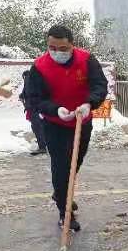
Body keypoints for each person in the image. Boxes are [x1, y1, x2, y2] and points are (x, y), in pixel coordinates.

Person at [27, 24, 108, 231]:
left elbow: (100, 85)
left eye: (62, 48)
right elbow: (34, 98)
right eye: (52, 47)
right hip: (55, 124)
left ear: (72, 45)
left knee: (75, 163)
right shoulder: (39, 66)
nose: (57, 53)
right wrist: (55, 110)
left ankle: (62, 192)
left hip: (82, 121)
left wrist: (90, 103)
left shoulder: (86, 60)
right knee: (61, 166)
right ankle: (65, 212)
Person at [20, 69, 48, 155]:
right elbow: (27, 92)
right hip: (36, 106)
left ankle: (42, 147)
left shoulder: (29, 80)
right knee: (40, 125)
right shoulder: (35, 80)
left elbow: (30, 93)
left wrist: (30, 104)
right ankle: (43, 143)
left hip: (34, 107)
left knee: (36, 126)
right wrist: (22, 95)